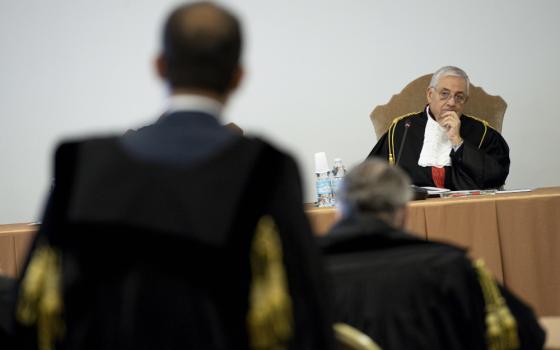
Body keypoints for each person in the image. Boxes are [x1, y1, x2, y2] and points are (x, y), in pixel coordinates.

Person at [12, 2, 332, 349]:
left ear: (160, 66)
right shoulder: (267, 169)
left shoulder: (81, 163)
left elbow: (33, 310)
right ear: (238, 76)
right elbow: (304, 309)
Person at [319, 159, 545, 350]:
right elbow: (527, 335)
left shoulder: (302, 273)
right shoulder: (449, 267)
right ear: (403, 213)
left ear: (339, 212)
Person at [368, 66, 510, 190]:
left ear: (465, 101)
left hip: (466, 210)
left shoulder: (483, 133)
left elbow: (497, 177)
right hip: (411, 212)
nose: (451, 102)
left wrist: (457, 141)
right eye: (444, 94)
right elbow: (371, 175)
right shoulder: (403, 128)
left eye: (459, 97)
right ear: (430, 95)